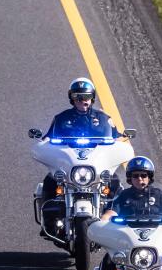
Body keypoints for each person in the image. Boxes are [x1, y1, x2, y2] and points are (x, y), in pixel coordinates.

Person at [38, 78, 124, 237]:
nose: (82, 100)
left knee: (114, 181)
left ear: (92, 98)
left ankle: (114, 216)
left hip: (95, 164)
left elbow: (117, 139)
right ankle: (48, 222)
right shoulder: (61, 118)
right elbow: (47, 139)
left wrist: (121, 145)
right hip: (69, 164)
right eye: (78, 97)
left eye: (86, 96)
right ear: (72, 98)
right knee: (50, 181)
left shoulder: (104, 118)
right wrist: (43, 144)